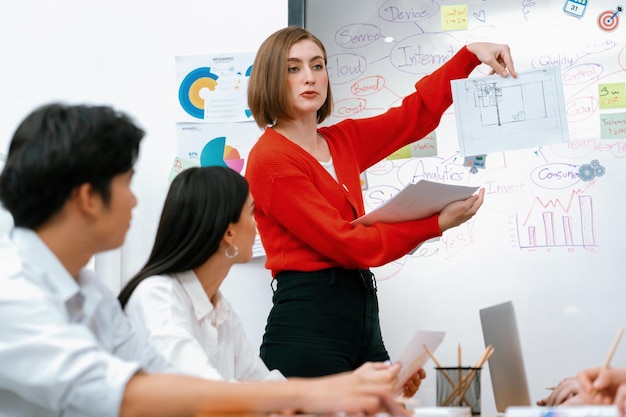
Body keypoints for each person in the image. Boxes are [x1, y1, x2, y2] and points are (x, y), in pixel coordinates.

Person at [0, 102, 410, 417]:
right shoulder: (12, 292)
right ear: (88, 198)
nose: (135, 200)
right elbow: (128, 394)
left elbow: (162, 376)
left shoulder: (89, 291)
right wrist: (314, 391)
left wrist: (345, 395)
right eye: (126, 183)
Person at [245, 26, 517, 377]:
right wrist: (434, 224)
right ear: (271, 79)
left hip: (360, 315)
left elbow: (412, 117)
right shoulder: (270, 159)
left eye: (318, 65)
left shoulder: (341, 140)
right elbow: (348, 244)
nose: (309, 77)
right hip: (308, 326)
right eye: (293, 68)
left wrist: (468, 56)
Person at [117, 164, 425, 397]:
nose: (258, 225)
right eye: (252, 214)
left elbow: (267, 389)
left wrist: (374, 389)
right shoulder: (156, 297)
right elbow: (204, 394)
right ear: (228, 233)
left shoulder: (220, 310)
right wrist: (348, 386)